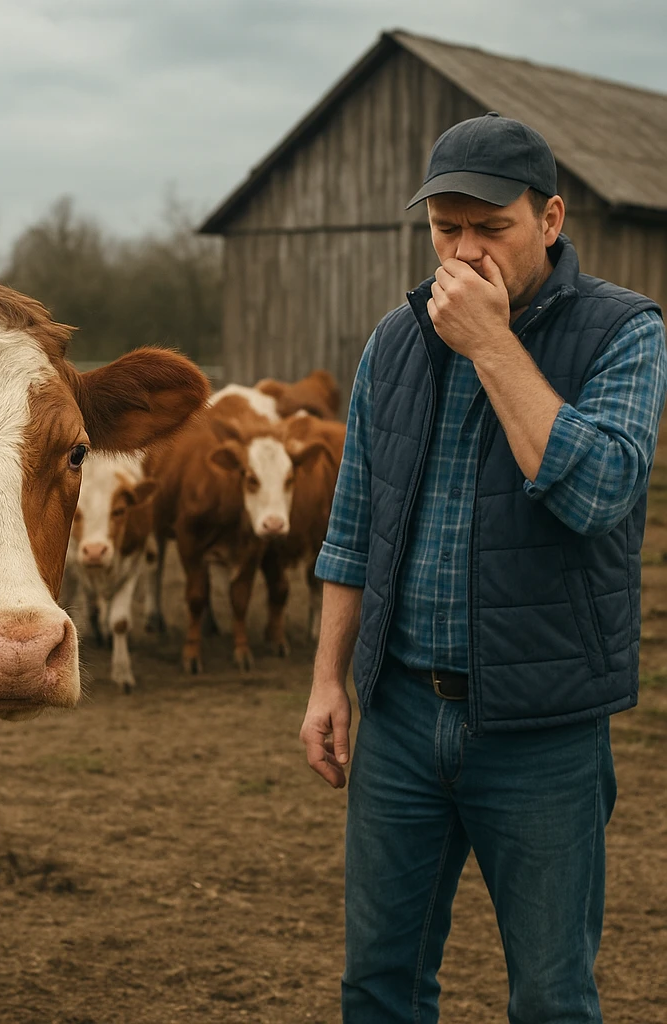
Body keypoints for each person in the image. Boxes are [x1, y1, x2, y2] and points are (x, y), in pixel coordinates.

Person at [299, 112, 666, 1023]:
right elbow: (353, 528)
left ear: (549, 219)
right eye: (445, 228)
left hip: (543, 732)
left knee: (551, 996)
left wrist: (493, 345)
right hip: (398, 718)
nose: (463, 253)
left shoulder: (625, 331)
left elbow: (596, 492)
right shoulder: (396, 339)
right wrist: (328, 683)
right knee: (378, 985)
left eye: (489, 227)